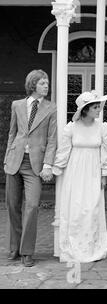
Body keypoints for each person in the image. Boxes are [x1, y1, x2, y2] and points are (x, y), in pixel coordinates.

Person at [52, 90, 107, 263]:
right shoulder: (71, 128)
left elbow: (106, 152)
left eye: (99, 106)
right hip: (75, 172)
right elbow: (63, 151)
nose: (99, 110)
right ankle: (73, 248)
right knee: (76, 208)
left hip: (93, 171)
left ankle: (91, 247)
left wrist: (104, 174)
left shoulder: (102, 127)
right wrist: (56, 168)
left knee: (91, 208)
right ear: (85, 109)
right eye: (95, 107)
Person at [4, 69, 56, 267]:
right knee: (12, 206)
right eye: (43, 83)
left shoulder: (52, 108)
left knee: (32, 206)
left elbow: (52, 140)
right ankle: (14, 248)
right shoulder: (17, 105)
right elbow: (12, 133)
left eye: (47, 83)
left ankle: (27, 252)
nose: (46, 86)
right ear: (33, 84)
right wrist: (7, 158)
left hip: (34, 165)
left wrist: (48, 164)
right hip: (14, 161)